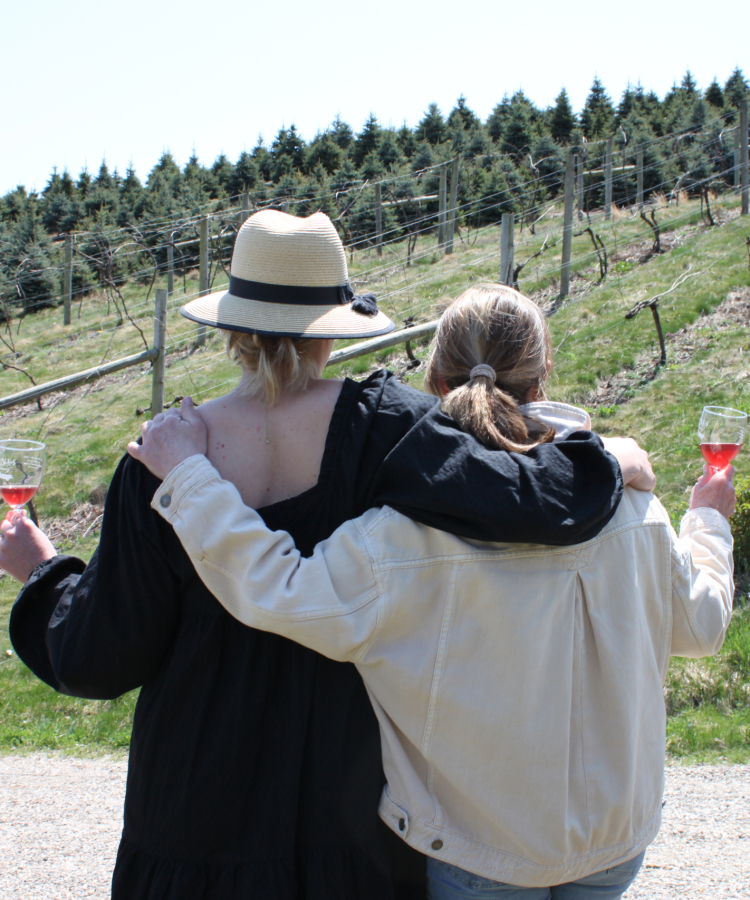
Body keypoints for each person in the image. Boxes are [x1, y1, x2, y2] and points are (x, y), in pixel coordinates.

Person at [0, 216, 649, 900]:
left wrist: (44, 572)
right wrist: (611, 456)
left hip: (193, 811)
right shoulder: (391, 428)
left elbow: (99, 657)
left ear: (232, 328)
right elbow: (538, 502)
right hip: (351, 816)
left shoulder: (163, 455)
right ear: (332, 328)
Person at [119, 283, 734, 900]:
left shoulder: (403, 534)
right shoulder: (634, 506)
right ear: (543, 375)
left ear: (436, 379)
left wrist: (190, 478)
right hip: (615, 837)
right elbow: (702, 627)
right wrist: (708, 519)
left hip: (479, 847)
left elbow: (278, 588)